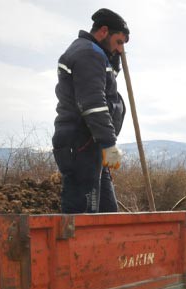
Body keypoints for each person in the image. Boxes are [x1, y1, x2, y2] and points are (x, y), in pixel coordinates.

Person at [52, 8, 129, 213]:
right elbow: (93, 104)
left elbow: (105, 85)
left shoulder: (93, 53)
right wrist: (109, 144)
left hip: (90, 146)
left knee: (107, 217)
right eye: (119, 42)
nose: (120, 49)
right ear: (104, 31)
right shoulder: (88, 54)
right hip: (81, 145)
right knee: (85, 221)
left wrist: (114, 58)